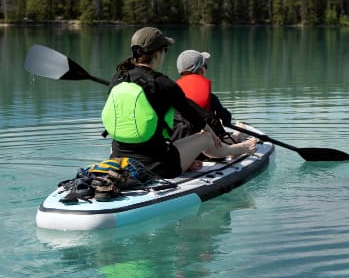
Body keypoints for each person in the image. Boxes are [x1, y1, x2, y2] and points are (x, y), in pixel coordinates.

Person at [101, 27, 257, 178]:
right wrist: (210, 130)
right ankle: (237, 149)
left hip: (118, 160)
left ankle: (189, 161)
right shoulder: (163, 83)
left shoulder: (118, 79)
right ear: (157, 53)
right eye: (165, 50)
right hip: (158, 166)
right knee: (206, 137)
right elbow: (194, 116)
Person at [176, 49, 232, 125]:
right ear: (201, 70)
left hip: (179, 134)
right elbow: (227, 119)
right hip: (203, 134)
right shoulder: (211, 98)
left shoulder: (172, 93)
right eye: (205, 66)